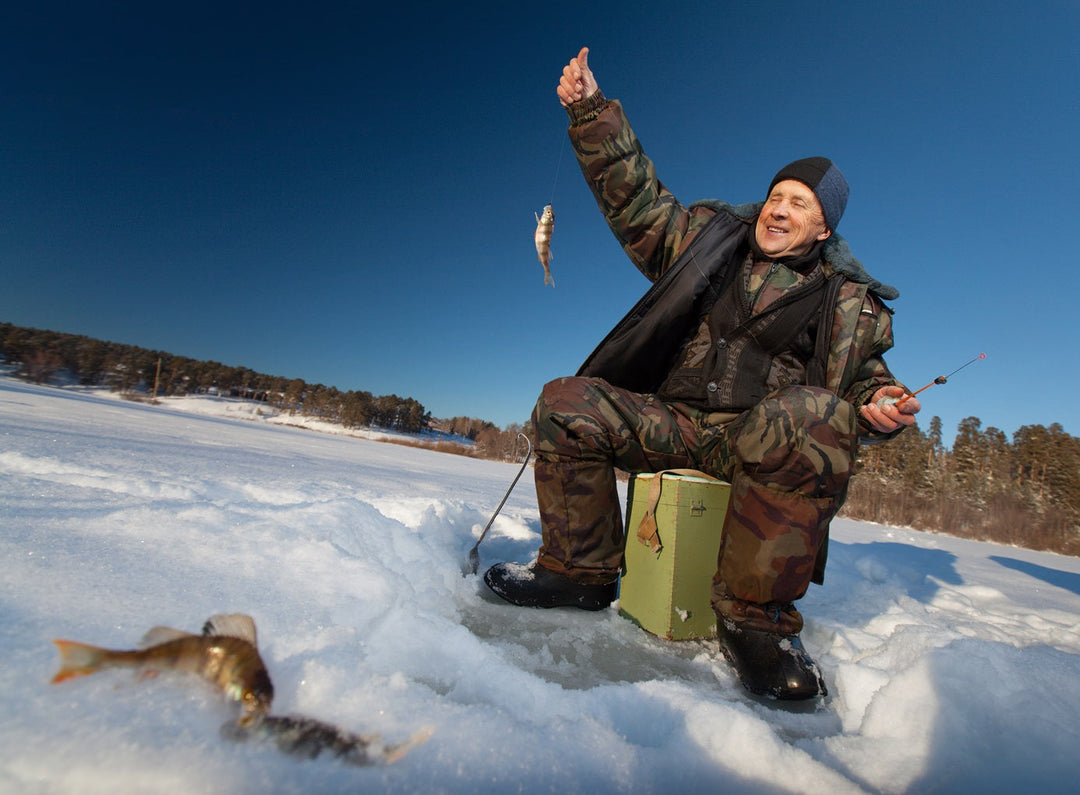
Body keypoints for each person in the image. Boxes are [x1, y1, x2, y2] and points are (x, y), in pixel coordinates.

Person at [484, 47, 920, 700]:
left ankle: (756, 623)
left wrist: (879, 404)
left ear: (823, 225)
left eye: (798, 204)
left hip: (760, 441)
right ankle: (579, 570)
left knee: (817, 414)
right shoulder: (705, 240)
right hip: (679, 425)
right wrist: (591, 111)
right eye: (776, 195)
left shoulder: (850, 302)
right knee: (566, 401)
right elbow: (636, 199)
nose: (778, 209)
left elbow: (863, 387)